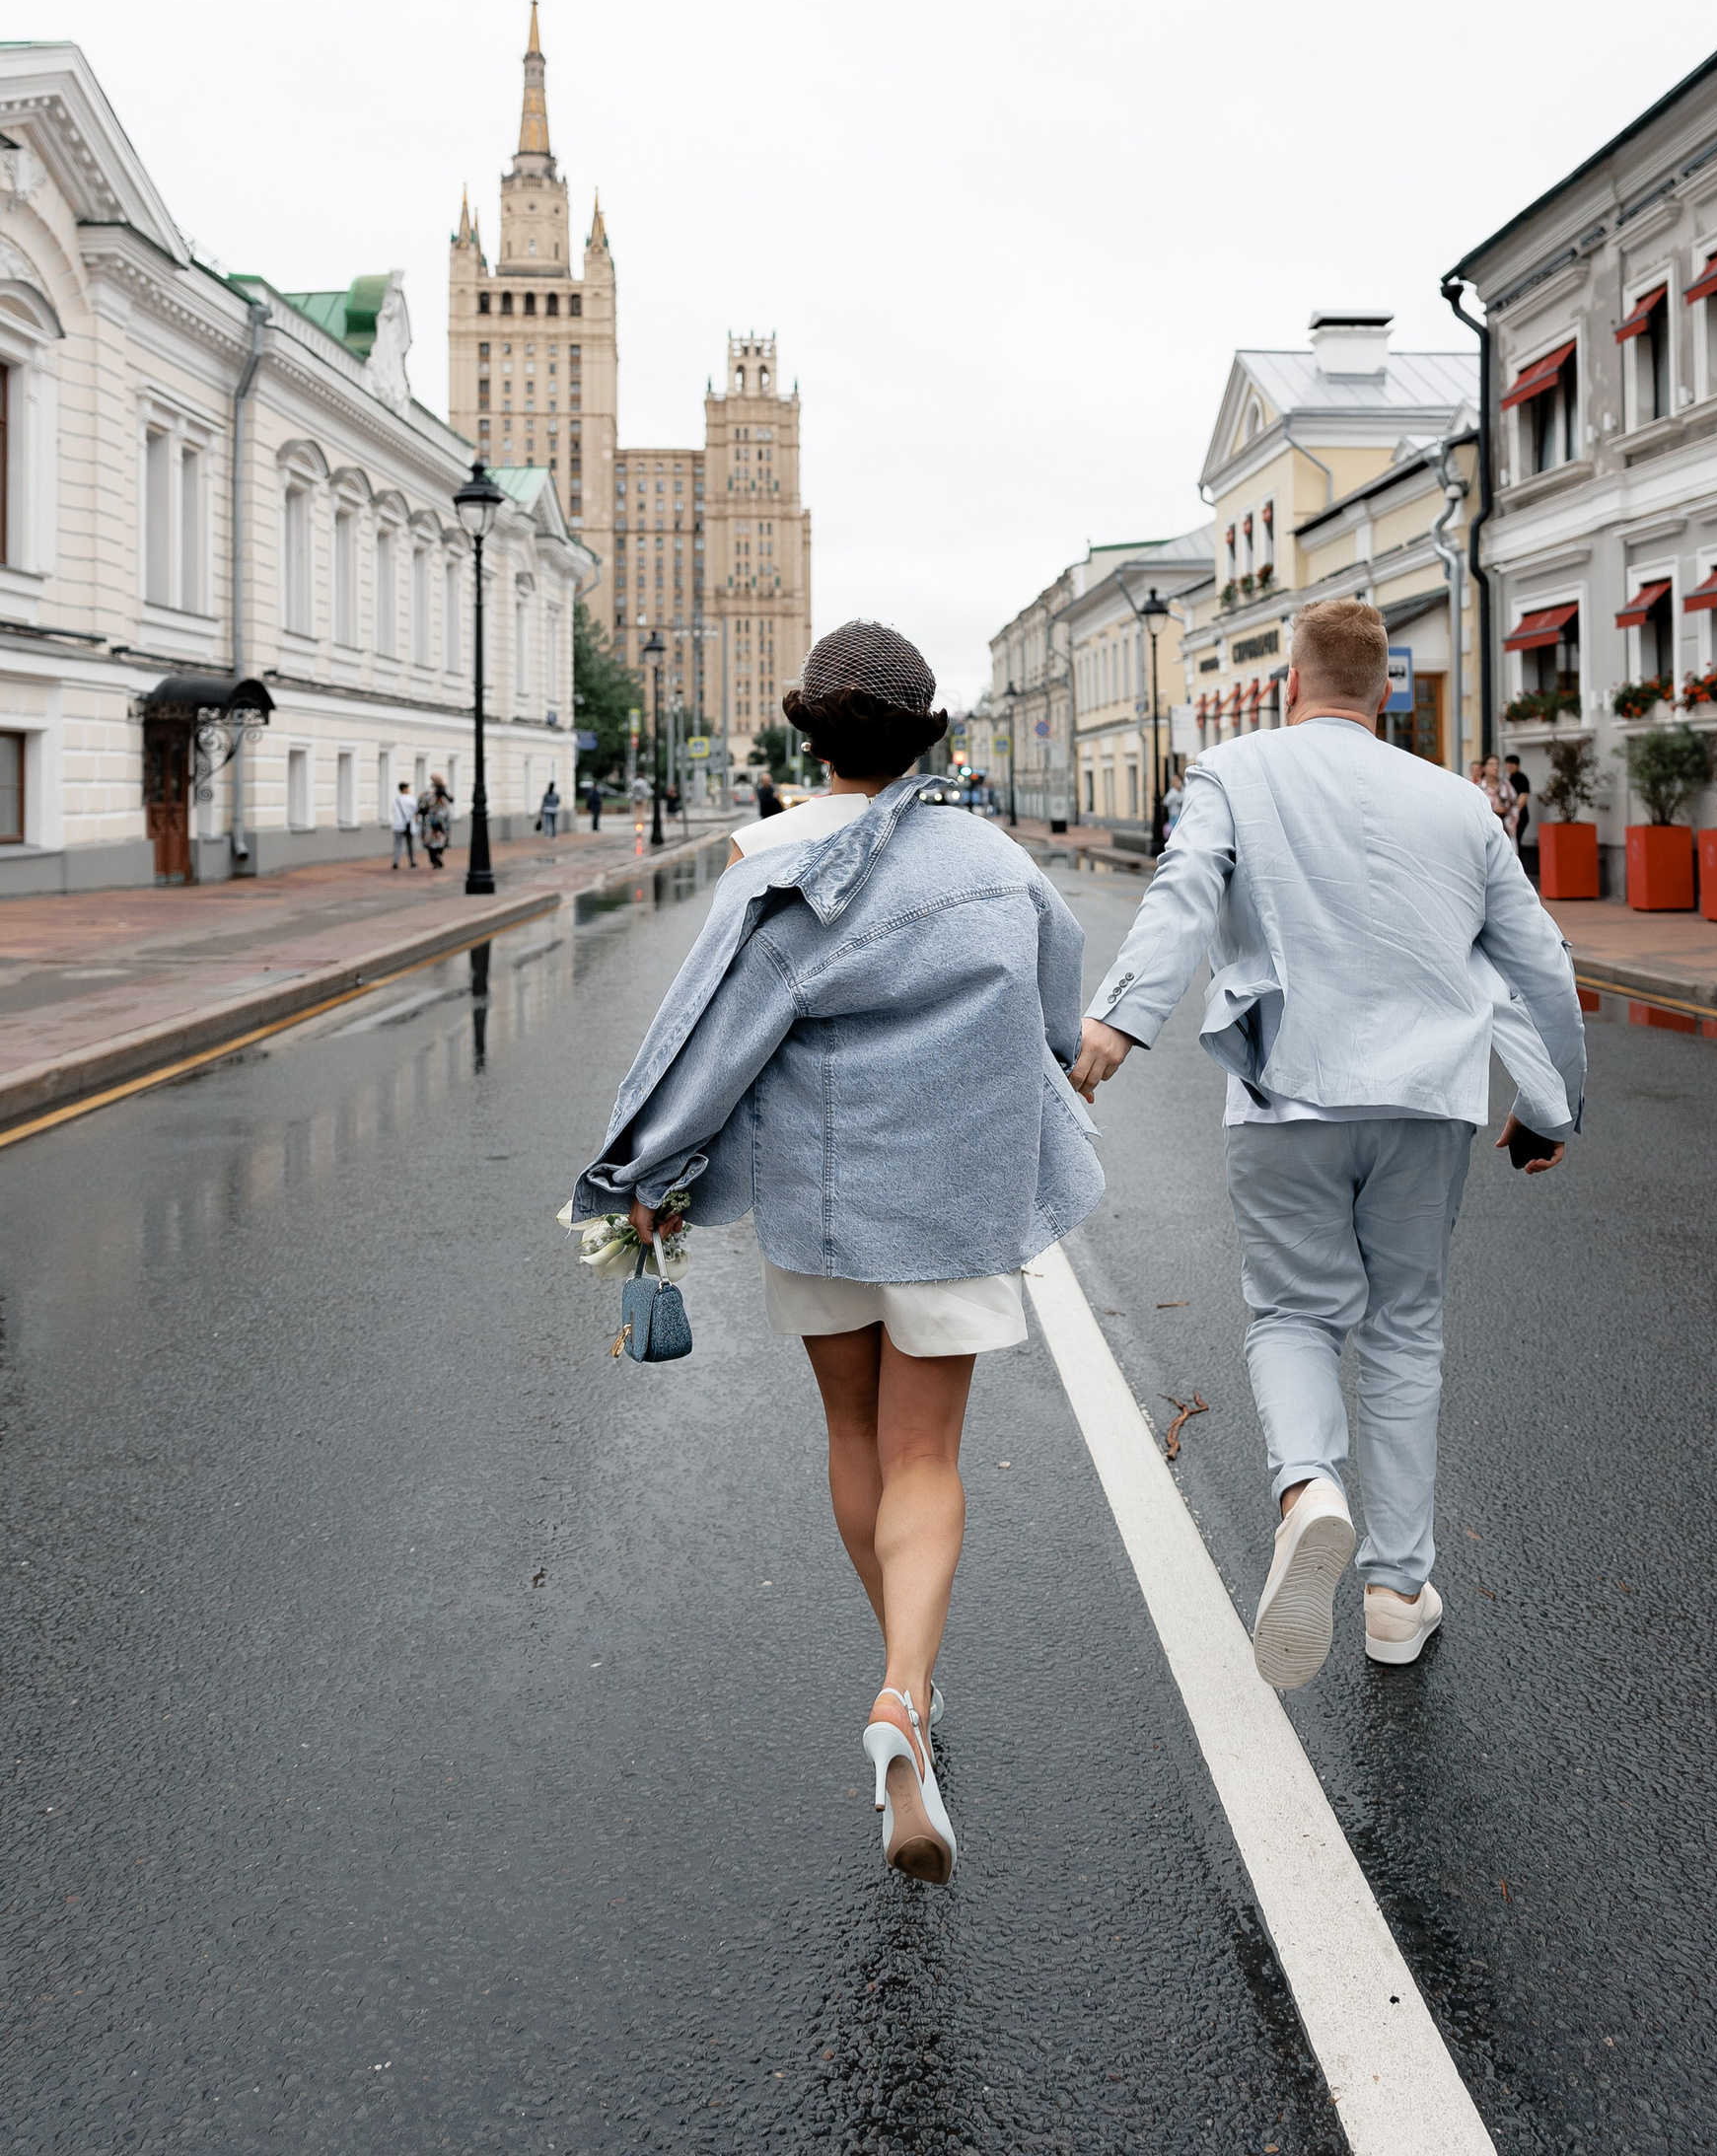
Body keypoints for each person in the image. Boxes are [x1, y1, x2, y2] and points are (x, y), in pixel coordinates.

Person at [570, 622, 1103, 1886]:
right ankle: (903, 1691)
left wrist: (646, 1174)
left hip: (820, 1204)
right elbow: (1057, 1009)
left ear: (810, 735)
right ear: (926, 739)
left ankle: (905, 1682)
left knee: (856, 1439)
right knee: (928, 1455)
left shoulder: (772, 866)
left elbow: (711, 1043)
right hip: (956, 1201)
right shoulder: (996, 862)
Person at [1069, 598, 1583, 1689]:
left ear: (1288, 684)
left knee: (1295, 1313)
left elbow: (1183, 893)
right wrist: (1550, 1103)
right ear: (1387, 693)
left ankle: (1308, 1489)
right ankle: (1396, 1595)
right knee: (1404, 1332)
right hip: (1428, 1103)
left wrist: (1116, 1022)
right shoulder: (1461, 803)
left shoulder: (1233, 772)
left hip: (1287, 1096)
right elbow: (1538, 959)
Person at [420, 773, 454, 869]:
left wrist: (444, 792)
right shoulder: (429, 791)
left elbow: (451, 799)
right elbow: (423, 803)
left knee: (442, 840)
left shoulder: (444, 789)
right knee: (431, 841)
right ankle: (434, 860)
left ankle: (437, 857)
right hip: (431, 820)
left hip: (442, 820)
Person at [390, 780, 420, 870]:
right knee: (410, 844)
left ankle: (395, 862)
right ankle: (412, 861)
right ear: (405, 789)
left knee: (397, 844)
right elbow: (415, 810)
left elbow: (393, 810)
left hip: (398, 824)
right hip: (408, 825)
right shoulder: (410, 799)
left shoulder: (396, 800)